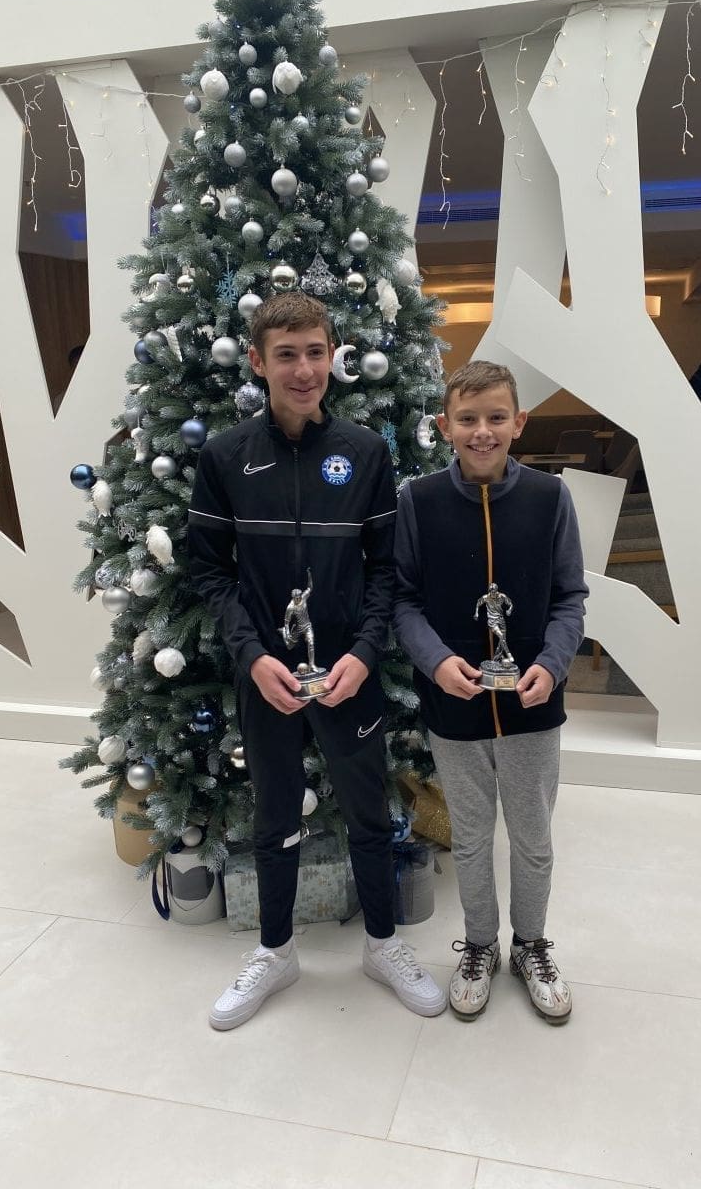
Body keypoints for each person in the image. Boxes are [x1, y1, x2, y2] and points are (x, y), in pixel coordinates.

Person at [188, 292, 446, 1029]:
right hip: (267, 676)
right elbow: (207, 571)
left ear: (333, 356)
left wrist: (365, 654)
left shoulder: (365, 452)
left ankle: (383, 944)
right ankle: (276, 951)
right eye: (286, 355)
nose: (303, 370)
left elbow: (386, 571)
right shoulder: (225, 456)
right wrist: (251, 656)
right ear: (257, 361)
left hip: (348, 675)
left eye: (314, 353)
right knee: (274, 814)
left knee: (368, 811)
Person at [393, 360, 588, 1023]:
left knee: (533, 837)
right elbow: (404, 600)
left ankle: (530, 944)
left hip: (534, 705)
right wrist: (436, 661)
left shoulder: (550, 499)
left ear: (519, 422)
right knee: (472, 837)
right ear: (445, 426)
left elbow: (569, 597)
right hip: (455, 706)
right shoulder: (418, 501)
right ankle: (480, 944)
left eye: (496, 417)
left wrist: (552, 665)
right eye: (468, 419)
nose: (483, 431)